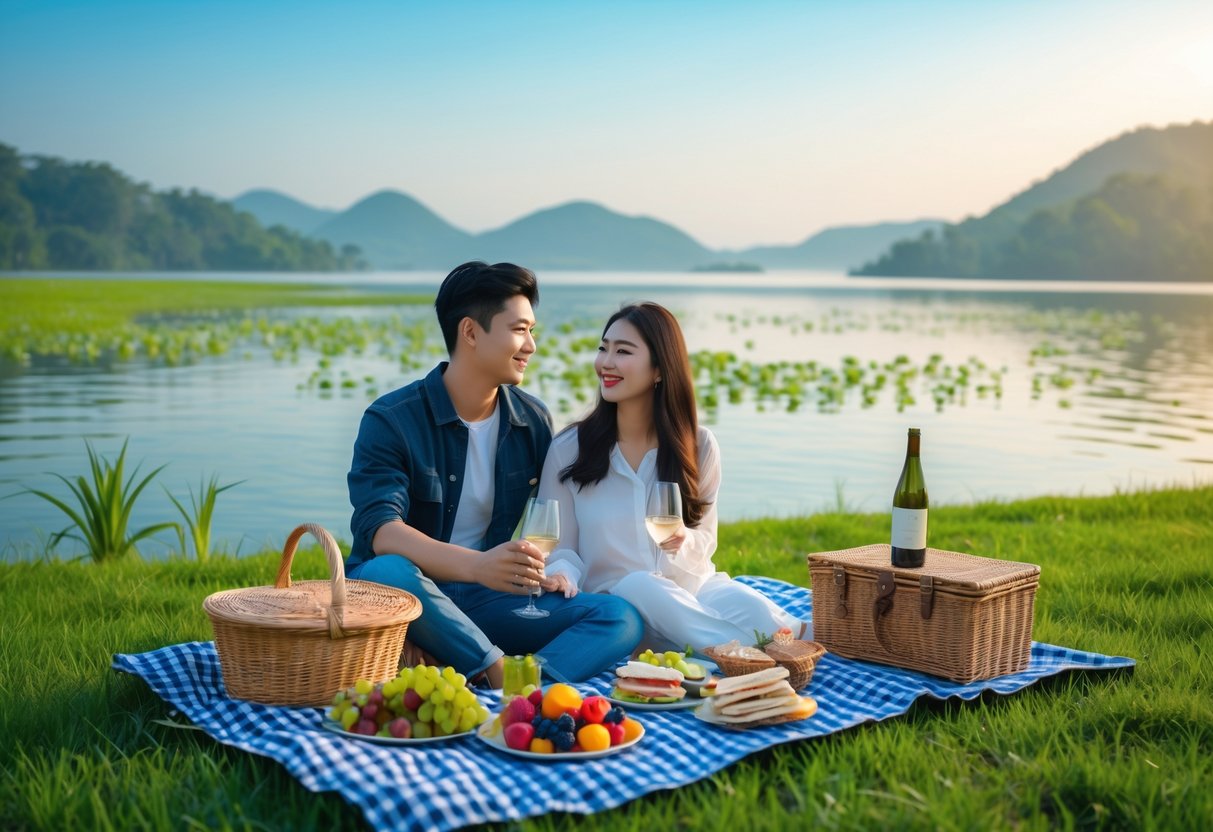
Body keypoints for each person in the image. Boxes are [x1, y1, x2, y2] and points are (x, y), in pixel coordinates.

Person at [345, 261, 643, 686]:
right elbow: (382, 532)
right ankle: (497, 670)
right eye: (519, 329)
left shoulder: (532, 420)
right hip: (407, 596)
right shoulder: (391, 420)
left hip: (486, 600)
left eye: (532, 331)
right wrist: (479, 565)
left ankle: (518, 681)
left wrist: (556, 569)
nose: (531, 346)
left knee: (619, 617)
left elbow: (555, 517)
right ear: (470, 332)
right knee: (383, 571)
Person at [538, 302, 808, 653]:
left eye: (623, 351)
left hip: (692, 590)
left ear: (659, 370)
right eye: (603, 348)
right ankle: (748, 657)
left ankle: (794, 642)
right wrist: (561, 573)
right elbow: (563, 550)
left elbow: (705, 540)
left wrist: (682, 540)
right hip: (621, 608)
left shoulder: (699, 445)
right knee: (641, 585)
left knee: (750, 605)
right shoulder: (568, 449)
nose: (606, 362)